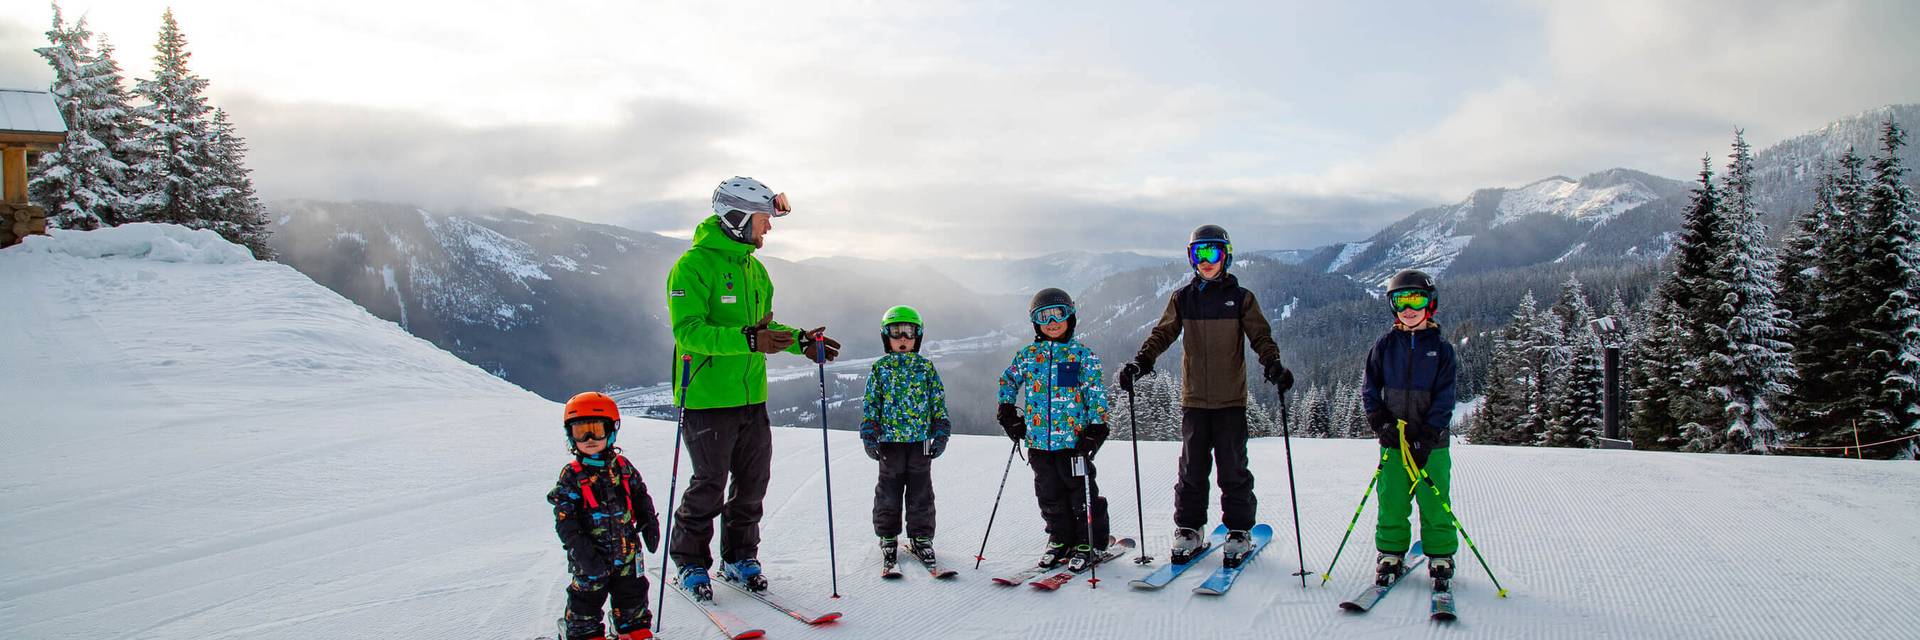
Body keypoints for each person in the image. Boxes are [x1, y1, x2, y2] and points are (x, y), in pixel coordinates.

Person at [664, 176, 841, 599]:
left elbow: (761, 328)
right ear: (737, 217)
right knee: (709, 483)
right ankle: (690, 562)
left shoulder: (755, 270)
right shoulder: (692, 267)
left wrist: (799, 340)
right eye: (764, 219)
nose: (769, 228)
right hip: (708, 397)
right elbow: (688, 333)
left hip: (751, 396)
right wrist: (747, 340)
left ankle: (740, 556)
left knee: (752, 482)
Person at [1118, 224, 1292, 567]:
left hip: (1230, 400)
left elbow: (1260, 336)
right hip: (1195, 399)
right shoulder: (1184, 298)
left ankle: (1239, 530)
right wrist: (1141, 362)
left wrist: (1273, 365)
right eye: (1199, 254)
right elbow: (1163, 333)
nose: (1206, 261)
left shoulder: (1241, 298)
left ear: (1225, 256)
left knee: (1233, 469)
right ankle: (1189, 528)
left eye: (1213, 253)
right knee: (1192, 469)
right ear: (1191, 258)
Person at [997, 287, 1113, 572]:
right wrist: (1008, 411)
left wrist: (1096, 428)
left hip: (1074, 442)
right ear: (1035, 321)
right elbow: (1008, 381)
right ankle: (1059, 537)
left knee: (1081, 492)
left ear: (1070, 316)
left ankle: (1090, 541)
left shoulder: (1082, 356)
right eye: (1043, 316)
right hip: (1038, 442)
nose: (1051, 322)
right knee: (1048, 493)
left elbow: (1095, 393)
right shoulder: (1028, 355)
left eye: (1058, 314)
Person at [1362, 269, 1460, 590]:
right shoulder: (1385, 346)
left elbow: (1445, 397)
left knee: (1434, 499)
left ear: (1429, 303)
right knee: (1392, 498)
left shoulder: (1442, 350)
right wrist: (1380, 422)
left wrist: (1430, 434)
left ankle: (1441, 554)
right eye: (1400, 300)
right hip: (1394, 442)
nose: (1408, 308)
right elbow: (1370, 388)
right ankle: (1390, 552)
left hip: (1432, 444)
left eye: (1415, 299)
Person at [548, 392, 661, 640]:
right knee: (585, 603)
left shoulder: (623, 466)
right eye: (580, 432)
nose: (589, 439)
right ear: (570, 435)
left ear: (611, 431)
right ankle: (579, 632)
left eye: (596, 430)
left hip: (628, 555)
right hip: (590, 559)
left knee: (633, 597)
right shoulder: (571, 475)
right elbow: (565, 519)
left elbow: (640, 494)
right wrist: (580, 549)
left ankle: (631, 629)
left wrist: (649, 519)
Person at [859, 305, 952, 570]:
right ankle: (888, 535)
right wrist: (869, 430)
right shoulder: (880, 369)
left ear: (917, 336)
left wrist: (941, 429)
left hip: (920, 441)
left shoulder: (926, 368)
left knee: (921, 491)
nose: (902, 339)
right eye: (896, 332)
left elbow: (937, 401)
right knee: (888, 490)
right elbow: (871, 403)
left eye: (908, 333)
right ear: (885, 336)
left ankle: (921, 536)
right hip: (889, 441)